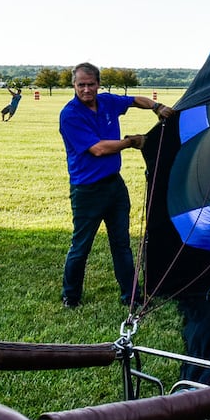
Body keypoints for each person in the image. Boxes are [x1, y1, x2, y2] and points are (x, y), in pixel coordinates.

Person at [59, 62, 174, 308]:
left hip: (115, 187)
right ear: (74, 85)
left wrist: (156, 106)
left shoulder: (108, 101)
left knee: (121, 243)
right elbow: (98, 149)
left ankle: (131, 296)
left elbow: (133, 100)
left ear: (98, 84)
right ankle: (71, 295)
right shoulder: (70, 114)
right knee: (81, 246)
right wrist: (131, 142)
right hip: (87, 190)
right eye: (81, 85)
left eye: (91, 84)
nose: (87, 90)